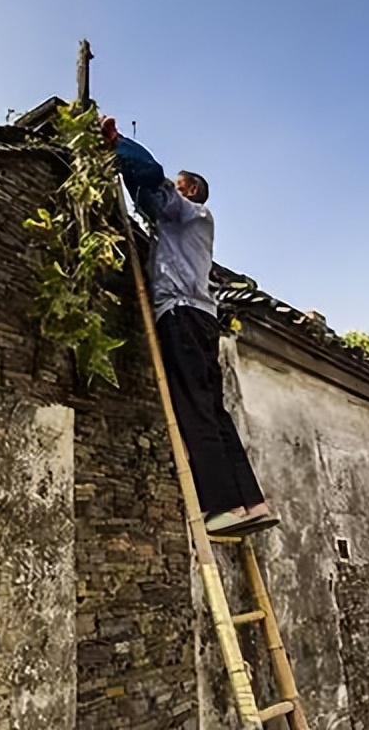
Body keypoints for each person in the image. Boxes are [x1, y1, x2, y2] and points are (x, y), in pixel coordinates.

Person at [101, 116, 277, 534]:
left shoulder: (190, 214)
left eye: (178, 186)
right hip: (202, 318)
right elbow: (150, 201)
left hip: (181, 314)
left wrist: (118, 144)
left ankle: (220, 507)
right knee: (215, 412)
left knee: (195, 410)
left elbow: (151, 183)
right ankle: (251, 502)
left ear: (191, 190)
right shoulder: (184, 230)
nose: (171, 192)